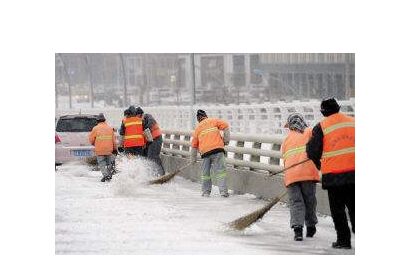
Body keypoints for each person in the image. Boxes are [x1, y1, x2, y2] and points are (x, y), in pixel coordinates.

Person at [306, 97, 355, 249]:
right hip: (355, 173)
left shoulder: (321, 127)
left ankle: (343, 241)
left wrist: (320, 165)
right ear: (339, 108)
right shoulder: (353, 122)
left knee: (338, 210)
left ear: (323, 112)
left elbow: (312, 151)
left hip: (334, 177)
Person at [281, 113, 320, 241]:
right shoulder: (309, 131)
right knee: (309, 201)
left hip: (291, 175)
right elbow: (319, 143)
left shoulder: (286, 139)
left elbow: (285, 158)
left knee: (296, 202)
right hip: (307, 173)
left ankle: (298, 230)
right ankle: (310, 227)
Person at [190, 109, 230, 197]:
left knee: (205, 174)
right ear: (206, 116)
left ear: (198, 119)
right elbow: (226, 126)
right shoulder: (213, 121)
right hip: (218, 150)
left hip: (205, 153)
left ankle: (206, 192)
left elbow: (194, 146)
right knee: (221, 172)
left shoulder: (198, 128)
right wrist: (226, 140)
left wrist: (193, 159)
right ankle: (223, 192)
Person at [136, 107, 165, 176]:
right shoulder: (141, 122)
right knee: (147, 157)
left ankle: (161, 173)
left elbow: (150, 123)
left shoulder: (148, 117)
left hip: (156, 139)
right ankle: (152, 173)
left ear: (140, 114)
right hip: (149, 141)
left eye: (137, 116)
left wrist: (144, 126)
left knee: (153, 156)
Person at [89, 113, 117, 182]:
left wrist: (95, 144)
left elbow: (91, 140)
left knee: (102, 164)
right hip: (109, 150)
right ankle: (109, 175)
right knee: (110, 163)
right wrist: (115, 149)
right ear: (104, 120)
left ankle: (105, 175)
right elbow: (114, 140)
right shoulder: (110, 128)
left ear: (97, 121)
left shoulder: (95, 128)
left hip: (99, 150)